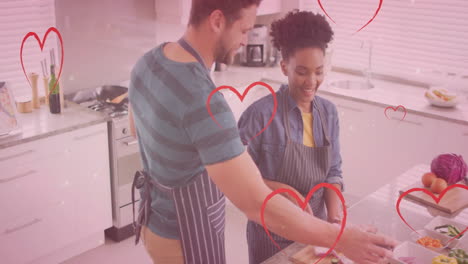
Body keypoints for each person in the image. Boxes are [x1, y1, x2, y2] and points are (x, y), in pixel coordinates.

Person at [128, 1, 398, 263]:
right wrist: (342, 238)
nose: (246, 40)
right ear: (218, 21)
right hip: (185, 235)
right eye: (244, 30)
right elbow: (256, 203)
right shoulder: (204, 101)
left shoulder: (147, 61)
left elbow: (137, 131)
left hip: (153, 223)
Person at [237, 10, 353, 263]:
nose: (311, 81)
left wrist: (334, 219)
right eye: (301, 71)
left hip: (317, 232)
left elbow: (333, 171)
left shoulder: (329, 113)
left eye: (319, 71)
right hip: (272, 235)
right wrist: (281, 189)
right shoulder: (259, 116)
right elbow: (238, 178)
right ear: (284, 67)